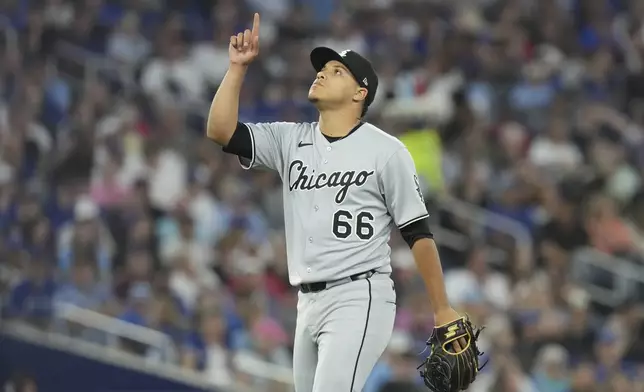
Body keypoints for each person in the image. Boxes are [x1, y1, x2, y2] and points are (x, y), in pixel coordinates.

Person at [205, 13, 464, 392]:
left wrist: (442, 308)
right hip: (306, 301)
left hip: (359, 295)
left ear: (361, 93)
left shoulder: (386, 151)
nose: (322, 73)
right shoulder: (290, 139)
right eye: (322, 68)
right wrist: (236, 70)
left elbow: (418, 233)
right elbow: (220, 131)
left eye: (337, 70)